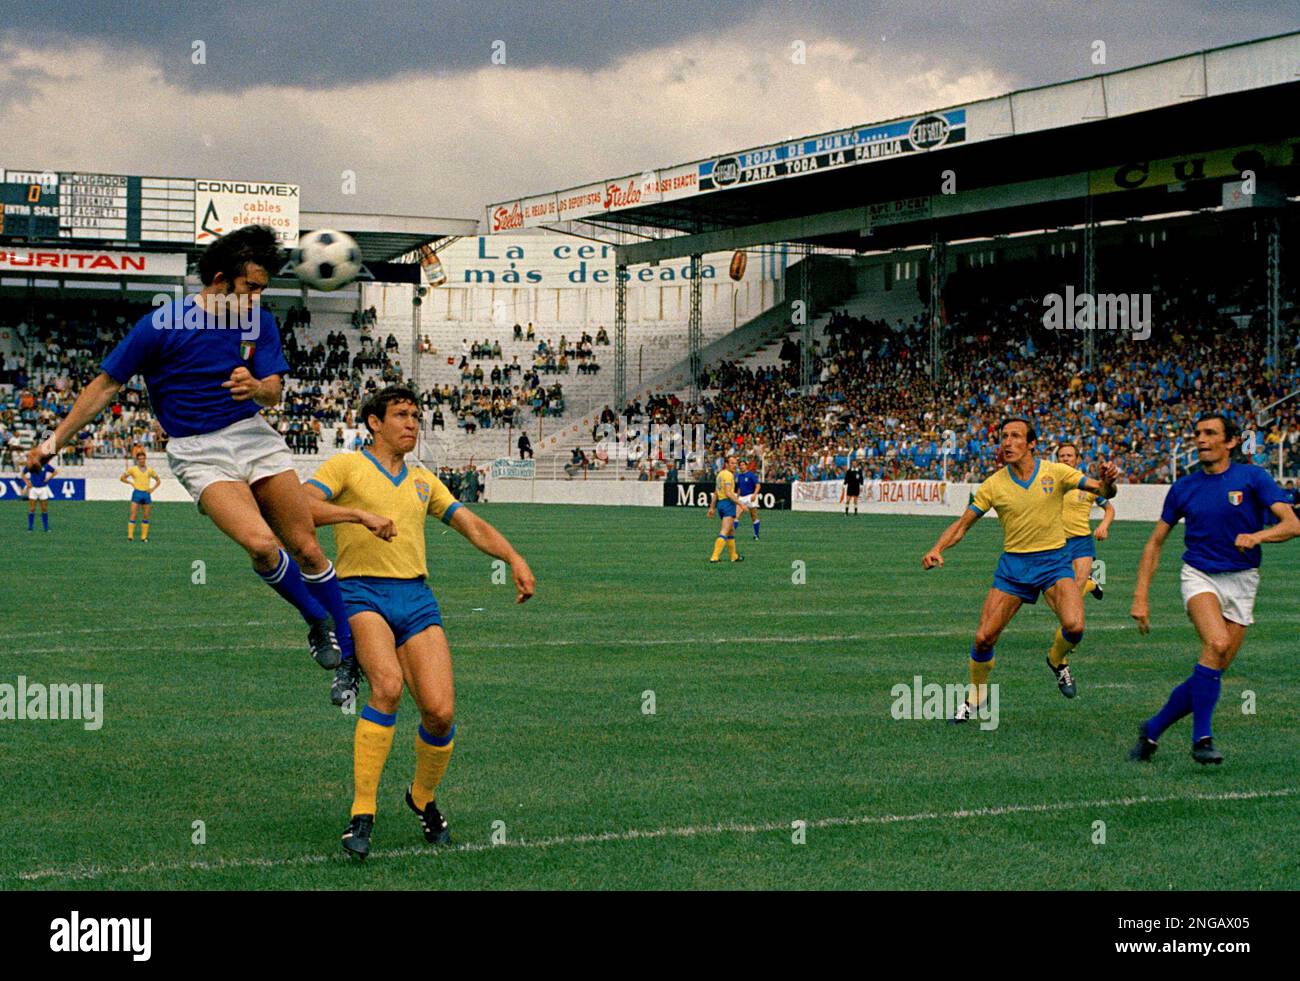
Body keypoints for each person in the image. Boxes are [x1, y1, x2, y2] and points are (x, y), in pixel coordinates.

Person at [26, 224, 355, 676]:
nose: (257, 298)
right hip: (199, 451)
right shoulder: (161, 325)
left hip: (253, 435)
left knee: (308, 549)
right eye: (250, 288)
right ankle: (316, 619)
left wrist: (256, 386)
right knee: (261, 545)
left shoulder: (258, 322)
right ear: (219, 280)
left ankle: (350, 646)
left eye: (262, 289)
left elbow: (274, 392)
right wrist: (52, 442)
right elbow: (105, 386)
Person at [302, 386, 535, 857]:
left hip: (416, 597)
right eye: (402, 415)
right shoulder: (345, 466)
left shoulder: (423, 480)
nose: (412, 423)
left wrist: (512, 556)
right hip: (359, 591)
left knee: (440, 711)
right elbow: (299, 506)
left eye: (416, 416)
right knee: (385, 687)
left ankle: (421, 797)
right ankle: (361, 814)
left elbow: (469, 523)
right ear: (374, 423)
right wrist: (357, 515)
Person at [1129, 414, 1300, 765]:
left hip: (1243, 580)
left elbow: (1292, 524)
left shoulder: (1253, 477)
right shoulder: (1183, 487)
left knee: (1212, 670)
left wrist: (1258, 536)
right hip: (1199, 576)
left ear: (1231, 442)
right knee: (1217, 644)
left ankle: (1152, 729)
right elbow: (1155, 542)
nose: (1201, 439)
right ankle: (1202, 740)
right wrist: (1140, 596)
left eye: (1210, 433)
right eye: (1198, 434)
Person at [922, 418, 1118, 722]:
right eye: (1004, 437)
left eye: (1016, 437)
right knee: (984, 638)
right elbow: (963, 525)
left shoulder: (1056, 472)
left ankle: (1056, 659)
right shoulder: (993, 484)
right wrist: (938, 548)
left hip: (1054, 562)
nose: (1008, 442)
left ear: (1031, 444)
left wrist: (1107, 480)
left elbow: (1103, 490)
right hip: (1014, 567)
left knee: (1075, 626)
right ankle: (976, 698)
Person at [1056, 442, 1114, 599]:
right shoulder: (1050, 484)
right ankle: (1091, 584)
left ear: (1077, 460)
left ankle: (1086, 584)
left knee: (1075, 591)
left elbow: (1109, 509)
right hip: (1056, 542)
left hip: (1082, 542)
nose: (1065, 459)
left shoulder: (1088, 484)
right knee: (1060, 593)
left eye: (1069, 456)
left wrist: (1104, 526)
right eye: (1062, 456)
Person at [707, 454, 747, 563]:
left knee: (731, 531)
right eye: (732, 463)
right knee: (725, 530)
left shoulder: (720, 474)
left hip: (720, 504)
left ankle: (733, 556)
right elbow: (729, 493)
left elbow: (716, 492)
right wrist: (741, 504)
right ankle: (714, 557)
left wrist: (712, 507)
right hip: (727, 504)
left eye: (735, 463)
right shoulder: (729, 475)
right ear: (726, 464)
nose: (735, 466)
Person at [120, 447, 161, 541]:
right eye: (140, 459)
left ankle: (144, 537)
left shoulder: (150, 470)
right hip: (137, 493)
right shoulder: (133, 469)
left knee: (146, 515)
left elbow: (158, 480)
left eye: (143, 459)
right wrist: (130, 483)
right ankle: (130, 536)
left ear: (145, 459)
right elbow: (122, 478)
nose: (142, 460)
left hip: (146, 494)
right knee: (133, 514)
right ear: (137, 460)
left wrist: (152, 489)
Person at [22, 457, 57, 532]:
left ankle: (46, 527)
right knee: (32, 508)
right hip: (33, 489)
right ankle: (30, 528)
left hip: (43, 489)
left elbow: (55, 471)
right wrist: (27, 482)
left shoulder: (46, 465)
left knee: (44, 509)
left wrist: (48, 478)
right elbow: (22, 474)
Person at [736, 458, 762, 539]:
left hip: (750, 496)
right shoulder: (739, 476)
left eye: (743, 465)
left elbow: (758, 485)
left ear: (746, 466)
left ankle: (756, 535)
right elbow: (739, 488)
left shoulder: (751, 475)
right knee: (736, 515)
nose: (741, 466)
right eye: (740, 465)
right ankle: (731, 535)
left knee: (754, 516)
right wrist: (737, 498)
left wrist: (754, 495)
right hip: (741, 497)